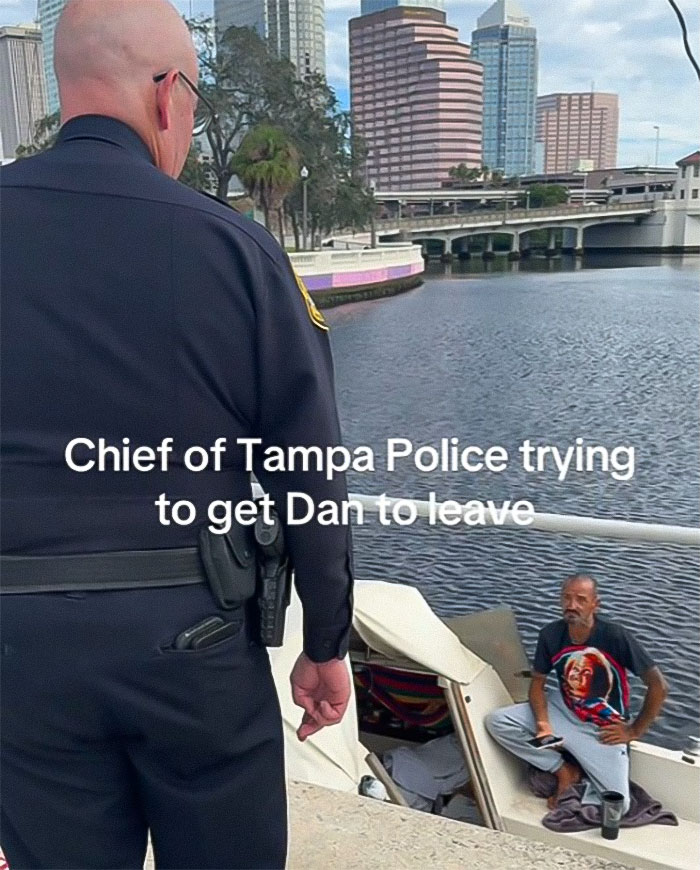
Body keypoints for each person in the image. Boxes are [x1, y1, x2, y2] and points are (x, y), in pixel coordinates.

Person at [0, 1, 352, 868]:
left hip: (19, 654)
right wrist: (325, 643)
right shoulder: (236, 249)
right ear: (168, 96)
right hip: (192, 644)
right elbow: (310, 468)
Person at [485, 574, 668, 813]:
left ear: (595, 604)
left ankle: (581, 774)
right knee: (497, 722)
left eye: (581, 600)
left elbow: (659, 687)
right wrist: (543, 724)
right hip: (563, 709)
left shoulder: (615, 636)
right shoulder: (551, 634)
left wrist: (633, 730)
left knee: (618, 806)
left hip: (601, 729)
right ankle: (564, 770)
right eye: (567, 598)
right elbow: (538, 683)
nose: (572, 606)